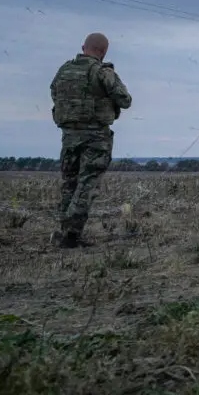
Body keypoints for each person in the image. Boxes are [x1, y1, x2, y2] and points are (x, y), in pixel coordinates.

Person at [49, 32, 133, 248]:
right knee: (87, 184)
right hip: (95, 137)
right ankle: (72, 234)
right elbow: (125, 100)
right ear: (103, 52)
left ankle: (64, 230)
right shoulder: (102, 72)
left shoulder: (64, 70)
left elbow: (54, 93)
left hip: (69, 136)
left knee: (69, 183)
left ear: (83, 46)